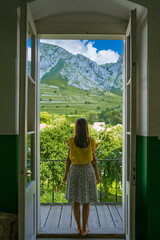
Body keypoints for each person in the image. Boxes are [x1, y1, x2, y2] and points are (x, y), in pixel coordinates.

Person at [63, 118, 101, 236]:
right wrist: (98, 176)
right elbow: (94, 161)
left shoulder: (71, 141)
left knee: (75, 200)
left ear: (76, 128)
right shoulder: (91, 142)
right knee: (86, 200)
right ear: (86, 128)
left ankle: (79, 227)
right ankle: (84, 228)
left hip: (75, 171)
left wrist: (65, 175)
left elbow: (68, 160)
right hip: (87, 171)